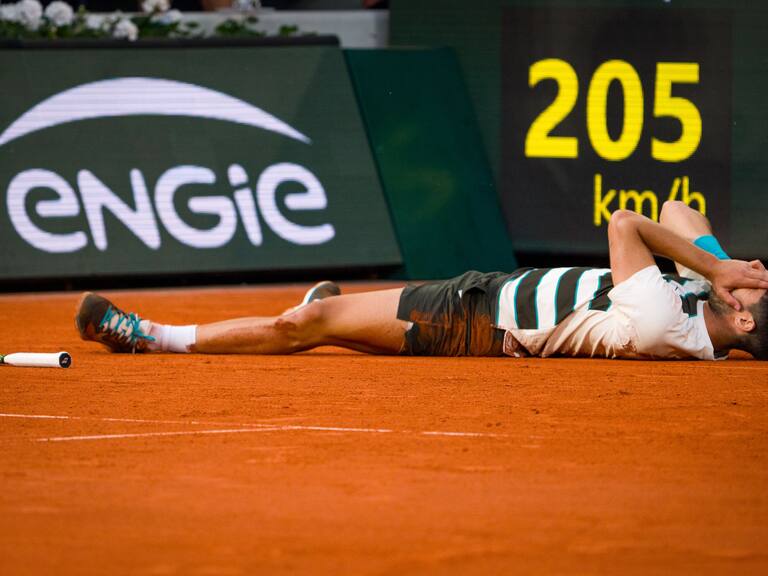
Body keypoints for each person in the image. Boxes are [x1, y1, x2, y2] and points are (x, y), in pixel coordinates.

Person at [76, 202, 768, 360]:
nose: (754, 273)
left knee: (302, 328)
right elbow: (682, 211)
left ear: (742, 320)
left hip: (474, 318)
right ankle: (345, 314)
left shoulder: (666, 323)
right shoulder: (693, 297)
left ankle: (145, 335)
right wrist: (721, 267)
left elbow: (627, 223)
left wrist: (716, 269)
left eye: (758, 288)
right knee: (342, 320)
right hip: (485, 295)